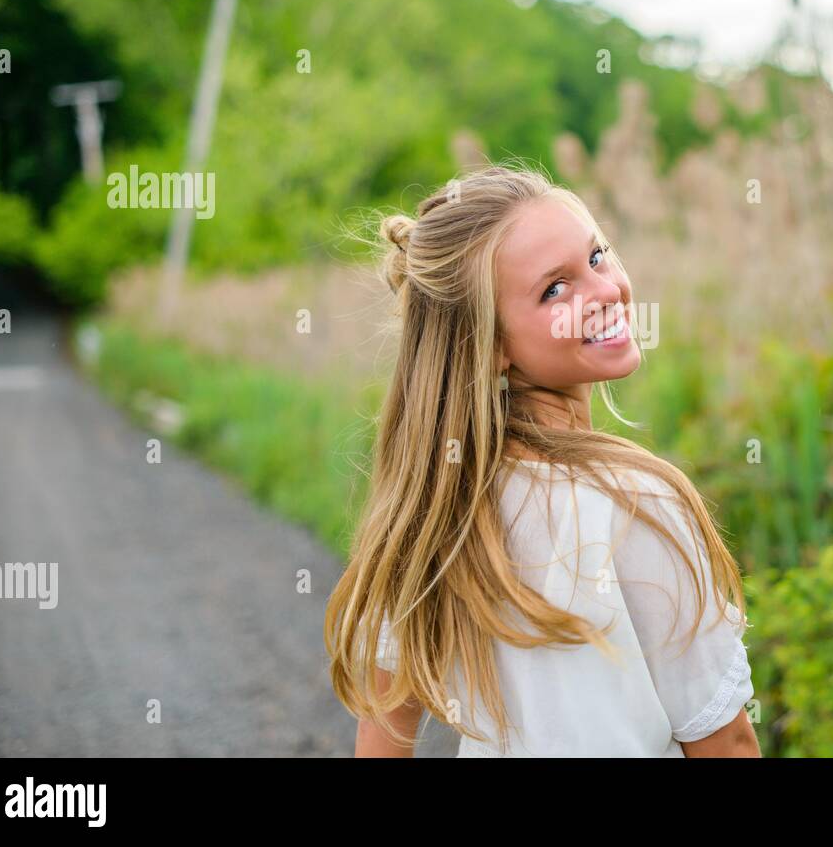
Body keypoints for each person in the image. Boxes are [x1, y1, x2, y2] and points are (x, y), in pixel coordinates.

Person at [324, 160, 759, 757]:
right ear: (492, 342)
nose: (605, 291)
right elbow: (726, 743)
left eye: (598, 256)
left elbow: (381, 738)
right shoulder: (639, 500)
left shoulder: (435, 505)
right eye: (555, 289)